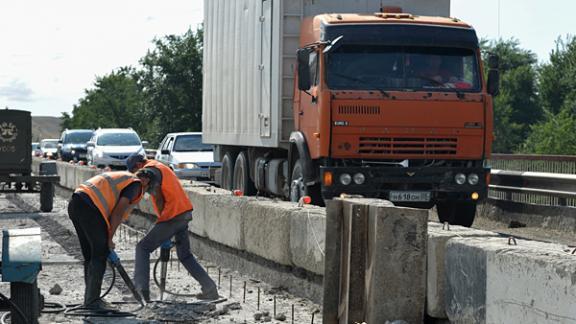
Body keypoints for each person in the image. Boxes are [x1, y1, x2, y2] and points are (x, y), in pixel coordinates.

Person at [126, 153, 219, 301]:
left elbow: (147, 175)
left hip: (172, 217)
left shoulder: (151, 169)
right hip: (183, 213)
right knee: (185, 256)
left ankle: (140, 291)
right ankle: (210, 289)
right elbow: (159, 193)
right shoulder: (159, 166)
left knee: (142, 248)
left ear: (137, 166)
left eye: (134, 172)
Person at [68, 169, 153, 310]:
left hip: (76, 203)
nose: (145, 191)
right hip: (90, 207)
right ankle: (93, 301)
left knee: (90, 255)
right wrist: (109, 239)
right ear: (146, 180)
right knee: (100, 254)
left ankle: (90, 299)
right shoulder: (135, 184)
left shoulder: (122, 177)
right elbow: (118, 212)